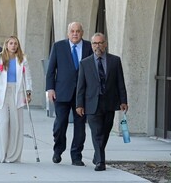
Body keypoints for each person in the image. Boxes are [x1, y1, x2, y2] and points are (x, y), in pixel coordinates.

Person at [76, 32, 128, 171]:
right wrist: (79, 104)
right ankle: (100, 162)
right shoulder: (85, 63)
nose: (97, 46)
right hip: (92, 103)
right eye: (94, 43)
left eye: (100, 43)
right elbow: (81, 86)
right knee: (97, 132)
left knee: (105, 131)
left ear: (105, 44)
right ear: (91, 45)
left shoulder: (115, 61)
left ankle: (97, 154)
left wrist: (123, 100)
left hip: (109, 102)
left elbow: (120, 82)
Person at [46, 22, 93, 166]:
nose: (75, 34)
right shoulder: (58, 46)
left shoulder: (89, 47)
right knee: (60, 124)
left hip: (82, 94)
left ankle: (76, 156)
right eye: (72, 31)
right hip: (62, 92)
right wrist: (50, 88)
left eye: (78, 31)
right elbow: (51, 70)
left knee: (80, 126)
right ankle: (58, 150)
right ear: (68, 33)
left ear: (82, 33)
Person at [0, 35, 32, 163]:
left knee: (16, 123)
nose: (13, 46)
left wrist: (28, 93)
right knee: (3, 123)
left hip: (17, 91)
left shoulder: (22, 58)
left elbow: (27, 76)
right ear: (6, 45)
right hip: (2, 91)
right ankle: (2, 154)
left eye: (15, 43)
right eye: (11, 43)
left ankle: (13, 156)